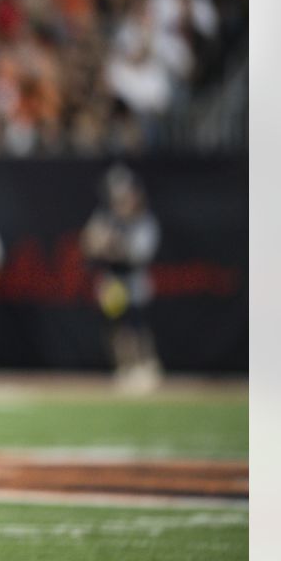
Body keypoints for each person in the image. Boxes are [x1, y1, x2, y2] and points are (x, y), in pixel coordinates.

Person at [81, 164, 162, 392]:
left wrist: (113, 245)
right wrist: (105, 245)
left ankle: (146, 365)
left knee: (137, 323)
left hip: (133, 277)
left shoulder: (143, 220)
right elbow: (89, 243)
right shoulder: (104, 217)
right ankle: (124, 367)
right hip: (111, 279)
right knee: (116, 326)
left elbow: (138, 253)